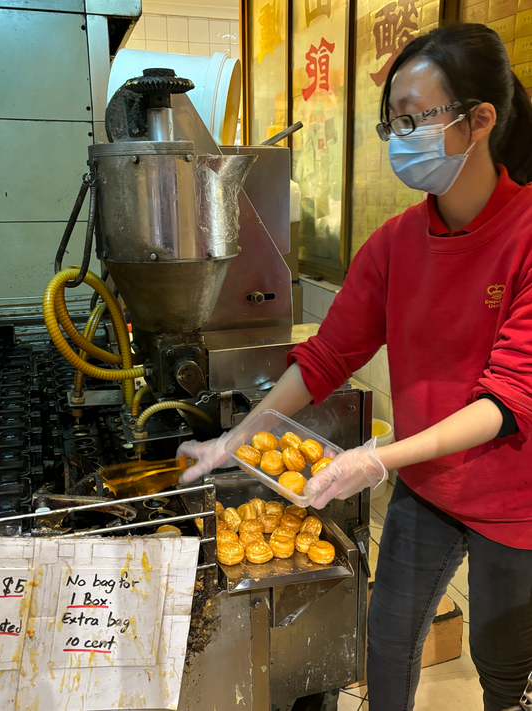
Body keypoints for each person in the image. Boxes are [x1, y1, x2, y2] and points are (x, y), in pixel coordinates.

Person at [178, 22, 532, 711]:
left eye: (413, 118)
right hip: (424, 485)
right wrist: (239, 436)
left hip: (513, 501)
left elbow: (509, 395)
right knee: (386, 636)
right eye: (391, 121)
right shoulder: (395, 244)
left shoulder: (523, 234)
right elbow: (325, 357)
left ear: (479, 119)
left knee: (501, 666)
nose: (400, 137)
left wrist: (379, 458)